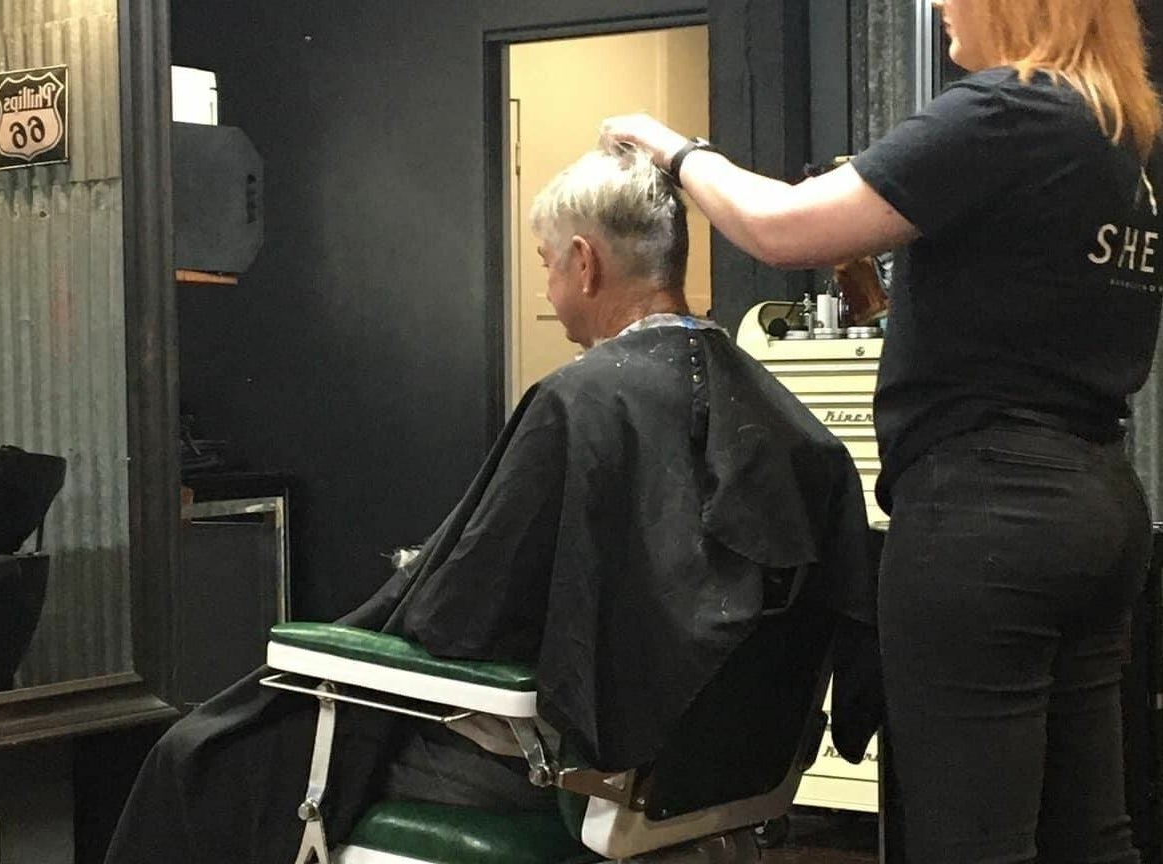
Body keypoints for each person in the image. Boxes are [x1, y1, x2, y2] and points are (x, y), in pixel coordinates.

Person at [105, 148, 873, 863]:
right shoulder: (791, 424)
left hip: (555, 773)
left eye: (545, 263)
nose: (549, 288)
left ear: (583, 262)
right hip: (705, 775)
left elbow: (458, 618)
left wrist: (420, 581)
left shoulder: (579, 404)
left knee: (203, 756)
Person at [601, 1, 1163, 862]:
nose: (940, 6)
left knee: (969, 844)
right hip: (1096, 509)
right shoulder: (1117, 138)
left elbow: (780, 228)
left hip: (986, 521)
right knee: (1085, 837)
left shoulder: (1006, 109)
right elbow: (1019, 320)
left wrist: (671, 149)